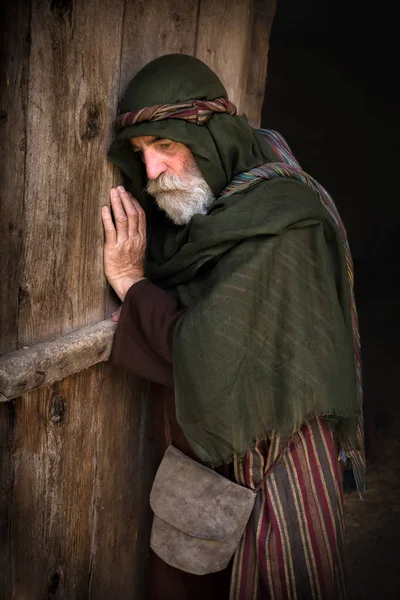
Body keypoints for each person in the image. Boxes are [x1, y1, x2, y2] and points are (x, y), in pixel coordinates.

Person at [102, 54, 365, 600]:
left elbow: (208, 355)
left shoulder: (280, 224)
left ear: (214, 138)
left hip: (285, 459)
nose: (151, 173)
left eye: (166, 146)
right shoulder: (217, 211)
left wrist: (131, 283)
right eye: (139, 154)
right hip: (219, 463)